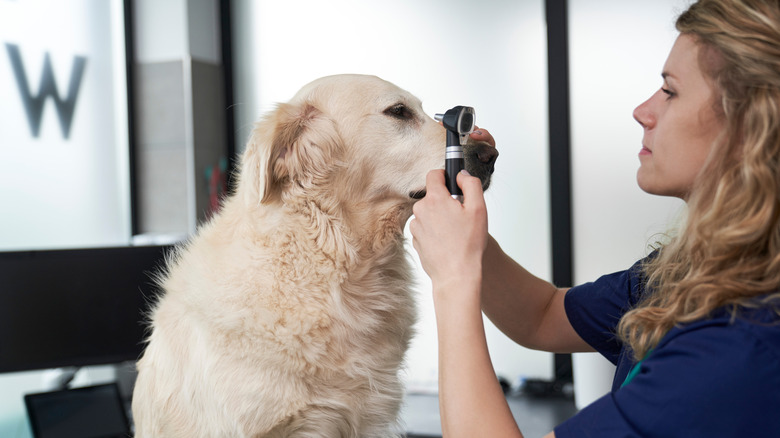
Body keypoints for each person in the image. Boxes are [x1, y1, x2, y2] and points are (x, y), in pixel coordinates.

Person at [408, 0, 780, 436]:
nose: (643, 111)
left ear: (751, 127)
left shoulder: (741, 347)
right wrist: (463, 229)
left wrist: (453, 279)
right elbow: (541, 316)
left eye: (671, 91)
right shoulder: (686, 273)